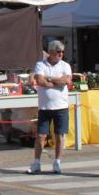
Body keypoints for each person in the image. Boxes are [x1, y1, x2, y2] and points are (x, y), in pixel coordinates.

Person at [28, 40, 72, 175]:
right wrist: (56, 81)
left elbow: (67, 81)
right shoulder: (40, 64)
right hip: (45, 107)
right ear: (51, 52)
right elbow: (40, 81)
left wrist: (49, 78)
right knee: (41, 136)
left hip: (61, 106)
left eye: (62, 52)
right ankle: (36, 162)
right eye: (58, 52)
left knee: (60, 135)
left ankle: (57, 162)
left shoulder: (65, 65)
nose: (61, 54)